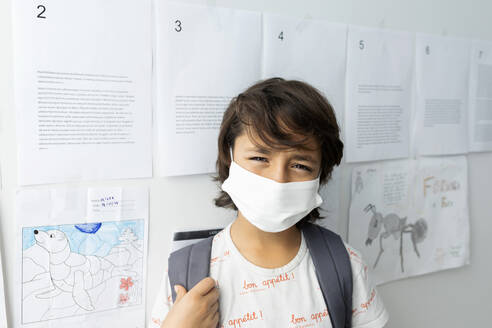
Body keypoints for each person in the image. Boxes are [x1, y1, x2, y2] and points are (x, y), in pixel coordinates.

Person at [150, 78, 389, 328]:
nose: (278, 180)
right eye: (259, 157)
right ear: (229, 158)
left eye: (300, 165)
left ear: (321, 174)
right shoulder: (185, 275)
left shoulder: (346, 265)